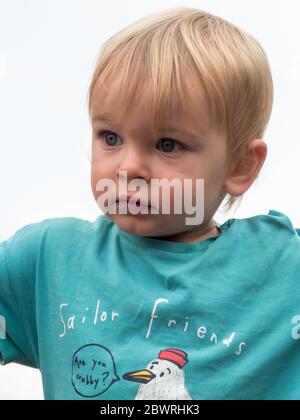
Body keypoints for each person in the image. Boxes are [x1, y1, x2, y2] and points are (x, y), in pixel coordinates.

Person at [1, 7, 299, 400]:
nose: (128, 168)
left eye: (167, 145)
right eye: (110, 137)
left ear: (240, 166)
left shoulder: (284, 270)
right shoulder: (45, 263)